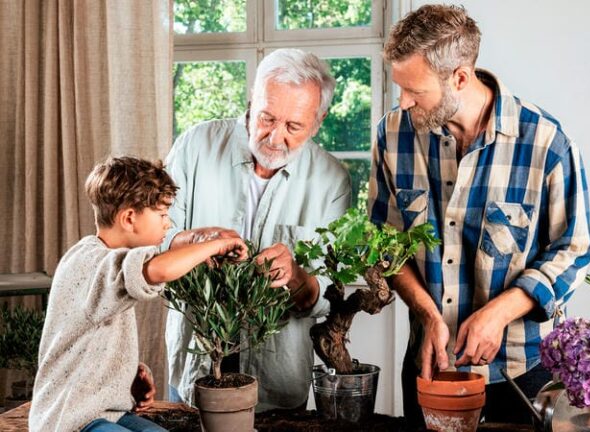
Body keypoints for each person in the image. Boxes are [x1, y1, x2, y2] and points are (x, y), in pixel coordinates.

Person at [368, 4, 590, 427]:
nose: (403, 102)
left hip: (521, 372)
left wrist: (500, 312)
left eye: (415, 91)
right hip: (428, 364)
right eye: (399, 88)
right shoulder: (392, 134)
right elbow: (383, 242)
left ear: (459, 77)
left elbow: (575, 249)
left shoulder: (547, 142)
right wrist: (428, 315)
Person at [164, 48, 352, 411]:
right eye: (267, 117)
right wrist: (191, 242)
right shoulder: (195, 146)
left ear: (319, 120)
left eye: (293, 127)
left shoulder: (332, 181)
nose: (274, 136)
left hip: (278, 385)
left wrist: (297, 276)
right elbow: (154, 240)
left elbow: (330, 291)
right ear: (252, 98)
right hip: (194, 372)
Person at [29, 157, 248, 432]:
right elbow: (159, 269)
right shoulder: (90, 262)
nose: (168, 225)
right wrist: (216, 245)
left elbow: (89, 338)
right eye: (162, 215)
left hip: (103, 413)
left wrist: (128, 372)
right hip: (69, 420)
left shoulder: (106, 263)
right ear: (129, 218)